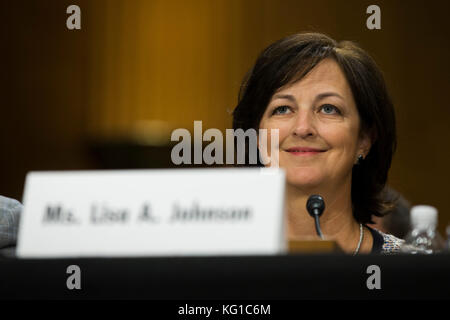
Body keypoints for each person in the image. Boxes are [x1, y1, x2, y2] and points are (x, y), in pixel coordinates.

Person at [232, 32, 404, 254]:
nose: (303, 128)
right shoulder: (213, 264)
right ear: (256, 136)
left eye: (328, 109)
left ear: (364, 139)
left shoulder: (410, 272)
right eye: (282, 109)